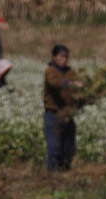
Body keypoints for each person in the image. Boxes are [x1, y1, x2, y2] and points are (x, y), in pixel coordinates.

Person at [43, 44, 83, 172]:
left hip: (67, 114)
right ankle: (53, 175)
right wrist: (69, 84)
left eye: (66, 57)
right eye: (61, 57)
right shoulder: (50, 71)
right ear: (54, 57)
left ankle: (65, 172)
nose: (64, 60)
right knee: (55, 147)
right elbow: (54, 83)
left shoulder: (70, 72)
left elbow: (78, 87)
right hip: (53, 114)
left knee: (69, 147)